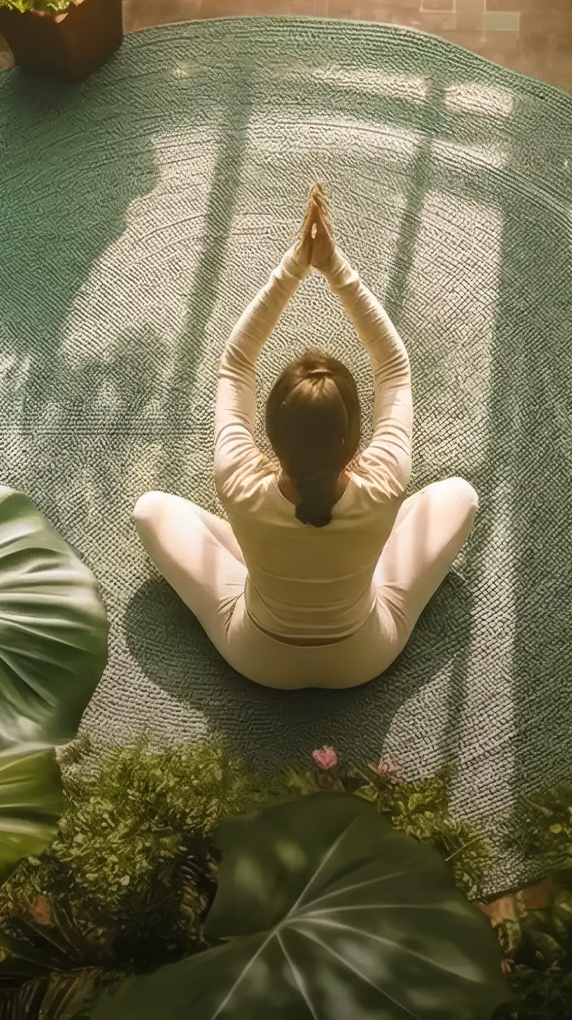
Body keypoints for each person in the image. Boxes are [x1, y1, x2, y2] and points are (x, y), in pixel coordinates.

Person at [133, 185, 479, 690]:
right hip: (364, 655)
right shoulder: (385, 479)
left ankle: (262, 547)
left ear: (270, 437)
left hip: (258, 656)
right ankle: (347, 548)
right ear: (356, 441)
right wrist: (334, 266)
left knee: (150, 509)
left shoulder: (238, 479)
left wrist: (293, 266)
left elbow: (236, 364)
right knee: (460, 496)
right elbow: (393, 368)